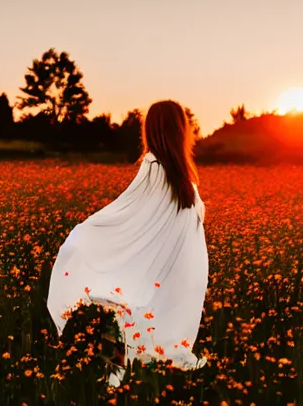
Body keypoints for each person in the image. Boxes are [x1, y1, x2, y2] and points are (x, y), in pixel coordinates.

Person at [47, 99, 209, 386]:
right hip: (177, 275)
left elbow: (125, 212)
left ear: (151, 131)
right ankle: (140, 361)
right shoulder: (185, 180)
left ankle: (115, 369)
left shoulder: (154, 168)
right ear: (181, 131)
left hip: (159, 269)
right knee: (127, 304)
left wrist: (84, 233)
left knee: (112, 295)